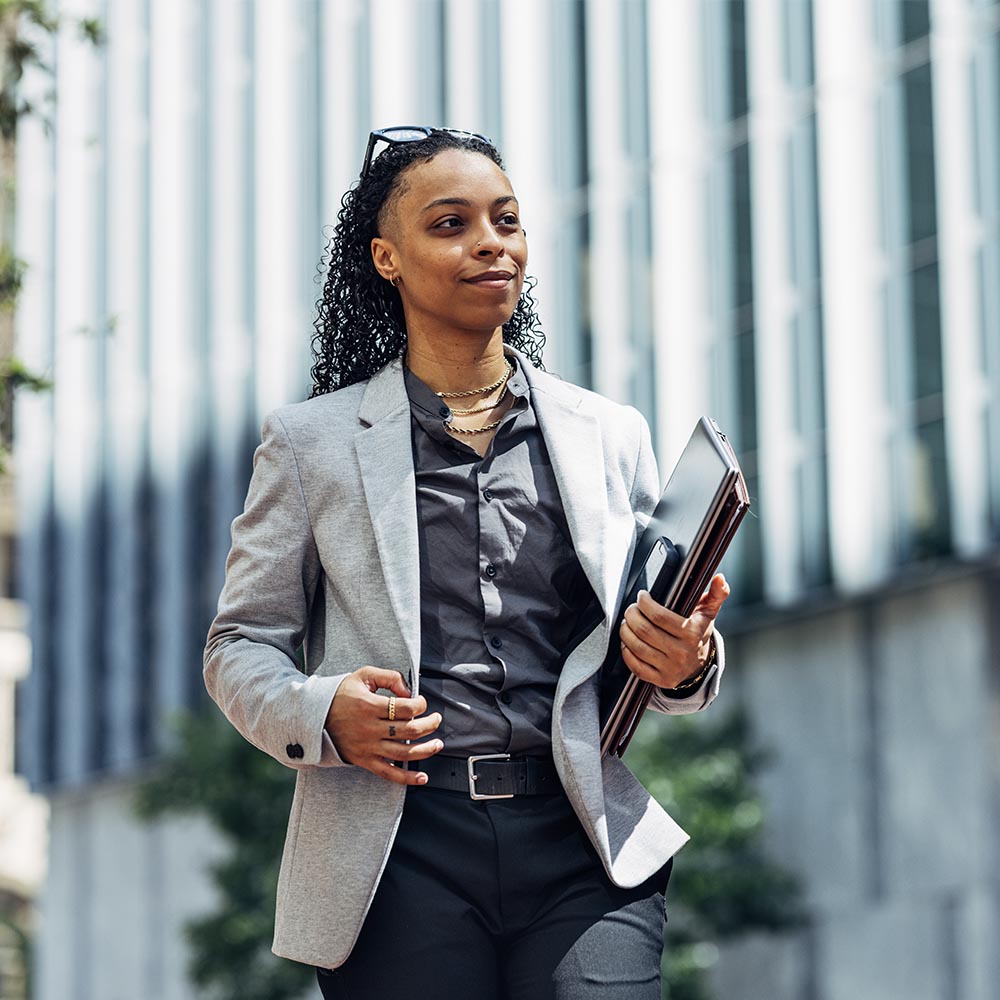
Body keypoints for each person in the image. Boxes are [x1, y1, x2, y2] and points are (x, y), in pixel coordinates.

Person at [203, 126, 731, 1000]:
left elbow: (665, 628)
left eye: (507, 220)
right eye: (450, 224)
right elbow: (238, 644)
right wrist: (322, 707)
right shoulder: (312, 445)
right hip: (396, 850)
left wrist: (686, 662)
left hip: (579, 838)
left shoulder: (610, 434)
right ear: (386, 258)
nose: (491, 241)